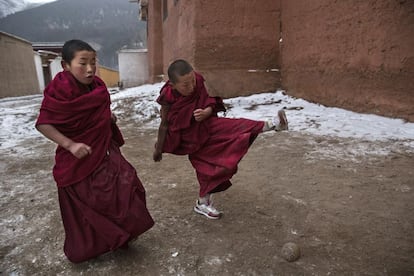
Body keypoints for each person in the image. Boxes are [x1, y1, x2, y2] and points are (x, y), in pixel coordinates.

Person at [35, 39, 154, 263]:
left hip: (103, 148)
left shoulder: (97, 86)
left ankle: (123, 233)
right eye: (83, 63)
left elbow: (95, 112)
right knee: (93, 202)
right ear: (66, 65)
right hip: (77, 158)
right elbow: (44, 123)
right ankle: (102, 242)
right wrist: (70, 145)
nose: (90, 69)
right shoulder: (59, 90)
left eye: (93, 62)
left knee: (127, 186)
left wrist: (106, 117)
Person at [153, 59, 288, 220]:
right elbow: (165, 124)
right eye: (185, 85)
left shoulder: (198, 81)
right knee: (208, 168)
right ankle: (203, 202)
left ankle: (274, 124)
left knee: (237, 126)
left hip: (208, 126)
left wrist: (207, 112)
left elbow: (211, 102)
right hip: (191, 140)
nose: (192, 87)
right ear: (173, 85)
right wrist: (158, 148)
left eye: (192, 81)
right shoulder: (167, 98)